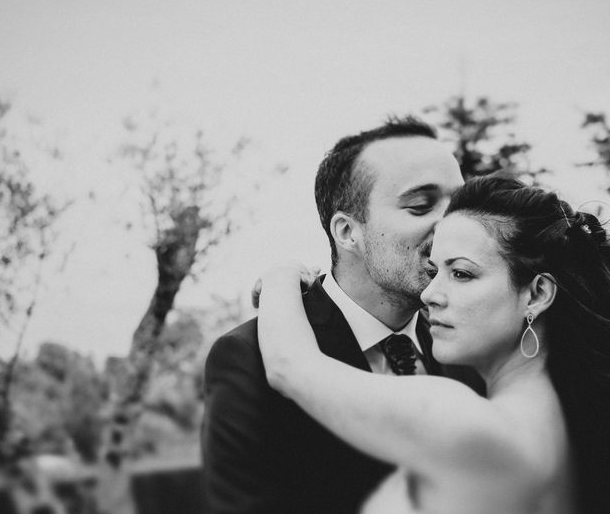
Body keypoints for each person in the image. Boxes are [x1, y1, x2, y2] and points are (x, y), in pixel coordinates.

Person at [257, 174, 610, 514]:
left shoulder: (469, 423)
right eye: (435, 271)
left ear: (536, 294)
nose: (430, 294)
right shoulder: (569, 420)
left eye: (462, 274)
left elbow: (289, 367)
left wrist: (281, 276)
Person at [200, 117, 486, 514]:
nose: (452, 225)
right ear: (348, 232)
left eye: (457, 206)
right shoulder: (248, 357)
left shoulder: (478, 346)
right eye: (421, 206)